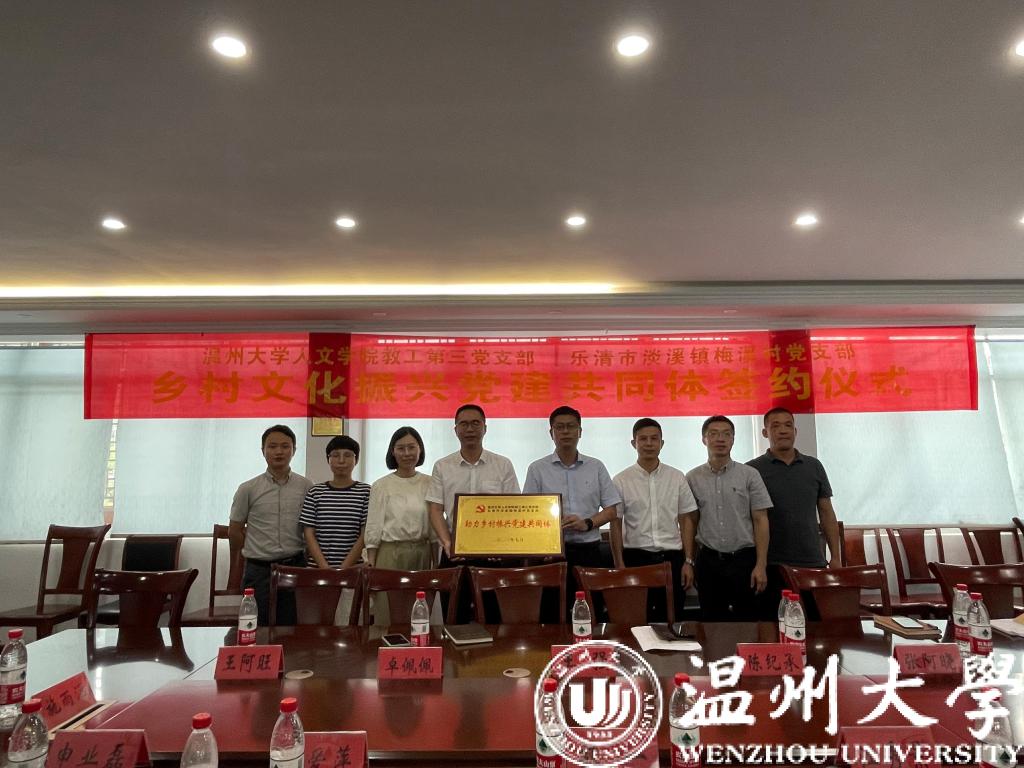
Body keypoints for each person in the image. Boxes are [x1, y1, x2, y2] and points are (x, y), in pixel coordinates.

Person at [523, 405, 621, 617]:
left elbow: (611, 510)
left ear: (580, 431)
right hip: (551, 555)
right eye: (560, 427)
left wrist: (587, 523)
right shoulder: (537, 469)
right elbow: (529, 513)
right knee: (551, 614)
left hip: (589, 552)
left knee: (591, 613)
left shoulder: (596, 467)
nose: (565, 432)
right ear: (551, 433)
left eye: (571, 426)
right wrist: (547, 537)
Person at [427, 404, 520, 621]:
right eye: (464, 424)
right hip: (454, 552)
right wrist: (447, 544)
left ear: (485, 428)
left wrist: (502, 545)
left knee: (493, 619)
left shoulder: (503, 465)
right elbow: (435, 509)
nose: (470, 429)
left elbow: (512, 508)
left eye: (475, 423)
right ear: (456, 430)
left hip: (493, 554)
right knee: (454, 618)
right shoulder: (442, 466)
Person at [747, 407, 840, 619]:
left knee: (813, 626)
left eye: (788, 425)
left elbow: (827, 513)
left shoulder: (814, 466)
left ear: (795, 431)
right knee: (773, 627)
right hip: (771, 565)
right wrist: (758, 564)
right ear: (765, 433)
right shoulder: (753, 470)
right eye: (775, 426)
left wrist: (835, 557)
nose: (783, 431)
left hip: (812, 562)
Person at [683, 415, 772, 622]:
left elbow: (761, 520)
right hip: (708, 561)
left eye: (726, 434)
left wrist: (761, 565)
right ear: (704, 439)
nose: (720, 439)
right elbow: (689, 522)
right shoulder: (692, 478)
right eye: (713, 434)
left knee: (747, 622)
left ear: (733, 439)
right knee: (712, 623)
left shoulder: (750, 475)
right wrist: (689, 561)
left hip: (744, 560)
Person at [611, 418, 698, 622]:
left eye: (654, 439)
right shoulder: (621, 480)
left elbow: (686, 519)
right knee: (638, 622)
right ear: (634, 443)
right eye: (643, 439)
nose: (649, 443)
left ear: (662, 443)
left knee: (673, 621)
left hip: (672, 560)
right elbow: (615, 523)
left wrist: (688, 561)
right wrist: (619, 565)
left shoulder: (676, 477)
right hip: (636, 560)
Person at [229, 424, 314, 625]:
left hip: (295, 567)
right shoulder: (248, 488)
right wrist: (255, 551)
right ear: (263, 450)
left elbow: (311, 528)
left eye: (285, 446)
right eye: (272, 446)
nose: (279, 451)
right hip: (259, 570)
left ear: (294, 450)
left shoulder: (306, 486)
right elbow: (235, 531)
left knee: (292, 627)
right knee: (256, 626)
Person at [365, 426, 434, 571]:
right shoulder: (381, 485)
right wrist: (371, 562)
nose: (407, 453)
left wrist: (436, 562)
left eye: (411, 447)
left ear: (420, 449)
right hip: (390, 553)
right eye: (401, 448)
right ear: (393, 451)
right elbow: (373, 526)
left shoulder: (430, 483)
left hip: (422, 552)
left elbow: (435, 526)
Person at [299, 435, 370, 570]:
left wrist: (342, 569)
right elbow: (309, 533)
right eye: (335, 455)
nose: (341, 460)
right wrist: (324, 568)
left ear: (356, 460)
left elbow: (365, 534)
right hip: (317, 570)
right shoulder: (315, 492)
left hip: (353, 571)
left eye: (347, 455)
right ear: (328, 459)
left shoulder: (366, 492)